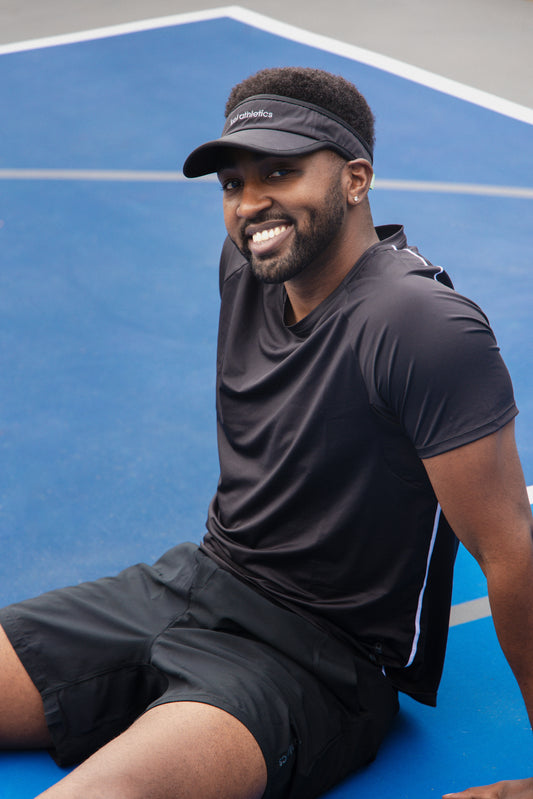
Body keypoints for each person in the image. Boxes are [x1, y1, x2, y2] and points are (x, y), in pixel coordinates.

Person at [0, 66, 531, 799]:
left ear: (355, 178)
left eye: (279, 171)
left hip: (315, 660)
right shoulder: (250, 267)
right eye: (232, 184)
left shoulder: (423, 328)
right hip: (191, 583)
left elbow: (508, 549)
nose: (250, 205)